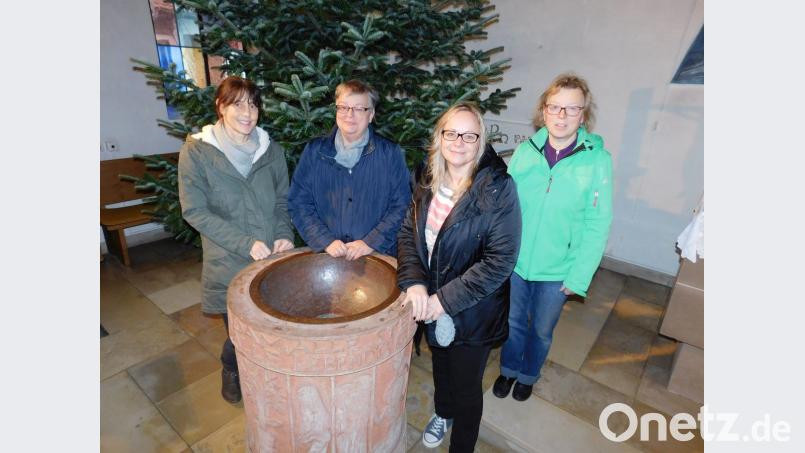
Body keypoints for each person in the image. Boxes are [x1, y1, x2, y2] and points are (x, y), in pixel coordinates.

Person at [397, 102, 522, 451]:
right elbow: (408, 234)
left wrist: (443, 301)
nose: (459, 142)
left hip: (473, 310)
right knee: (441, 365)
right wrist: (415, 283)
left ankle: (462, 446)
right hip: (431, 301)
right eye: (451, 133)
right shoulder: (426, 177)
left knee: (467, 386)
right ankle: (443, 412)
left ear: (481, 141)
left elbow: (500, 261)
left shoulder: (498, 188)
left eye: (469, 135)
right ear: (439, 137)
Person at [493, 73, 613, 402]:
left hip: (559, 269)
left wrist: (580, 275)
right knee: (513, 322)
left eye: (572, 108)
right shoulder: (525, 151)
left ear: (583, 115)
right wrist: (498, 255)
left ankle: (528, 375)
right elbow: (505, 207)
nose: (562, 115)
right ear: (543, 111)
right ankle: (508, 369)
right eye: (555, 107)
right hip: (517, 264)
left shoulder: (597, 161)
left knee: (541, 330)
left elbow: (598, 223)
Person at [178, 76, 294, 403]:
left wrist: (284, 234)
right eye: (238, 104)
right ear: (221, 107)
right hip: (228, 259)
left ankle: (267, 375)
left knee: (272, 327)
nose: (247, 113)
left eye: (253, 105)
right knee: (239, 332)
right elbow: (194, 211)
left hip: (270, 258)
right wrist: (245, 243)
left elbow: (282, 202)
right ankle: (231, 367)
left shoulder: (272, 151)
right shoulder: (197, 153)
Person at [288, 80, 410, 260]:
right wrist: (325, 240)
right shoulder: (315, 152)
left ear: (371, 115)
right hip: (327, 258)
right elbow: (298, 202)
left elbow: (402, 205)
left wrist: (370, 242)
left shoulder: (390, 153)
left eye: (359, 108)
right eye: (343, 107)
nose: (349, 115)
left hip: (377, 257)